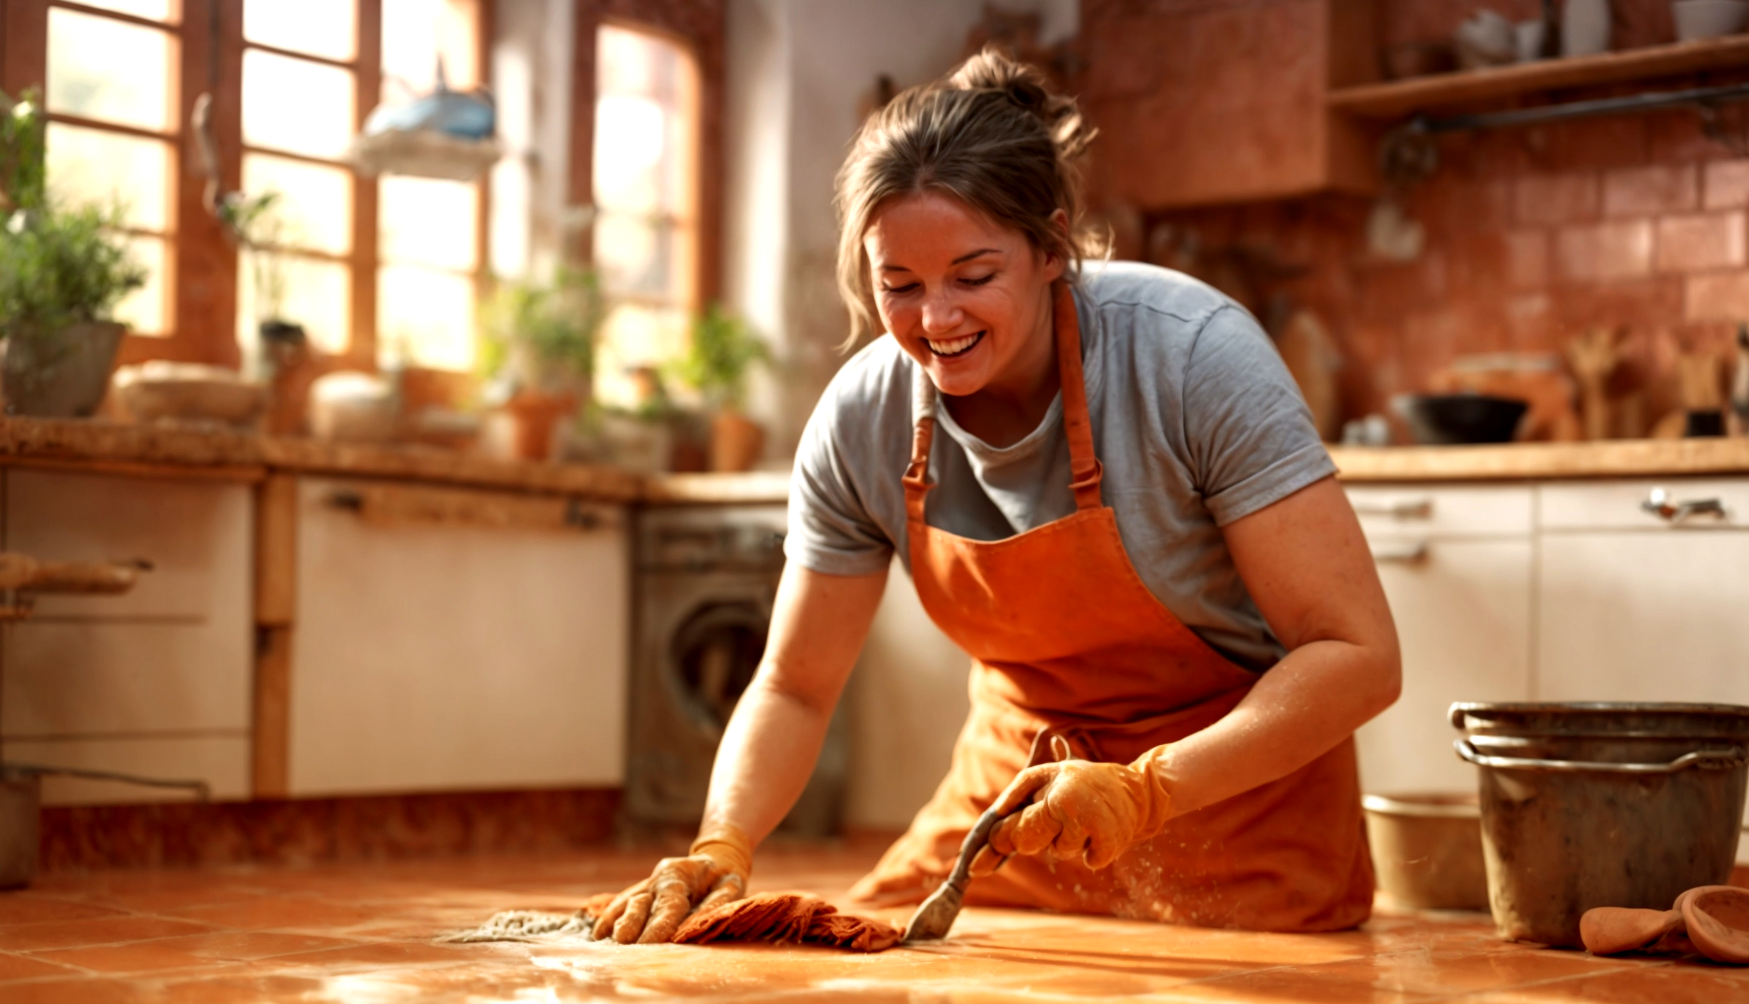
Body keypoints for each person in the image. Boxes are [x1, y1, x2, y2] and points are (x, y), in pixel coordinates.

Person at [591, 48, 1401, 945]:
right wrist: (723, 840)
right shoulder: (862, 421)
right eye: (899, 285)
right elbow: (795, 684)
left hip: (1238, 822)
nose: (936, 320)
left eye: (973, 276)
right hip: (1008, 823)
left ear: (1052, 245)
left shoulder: (1192, 357)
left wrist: (1146, 788)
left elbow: (1357, 651)